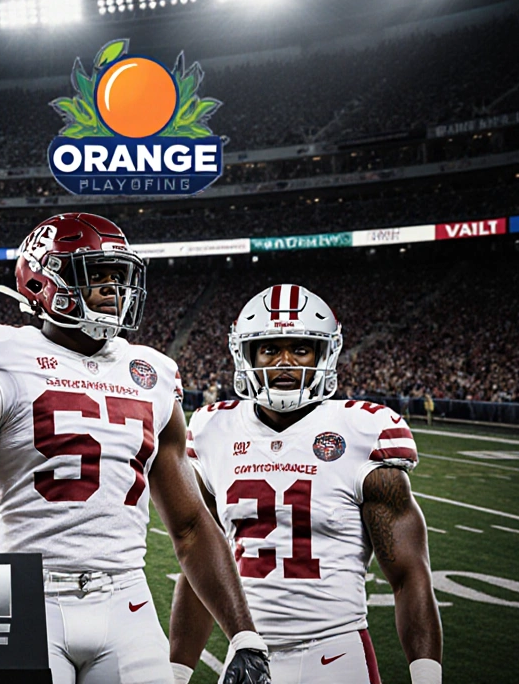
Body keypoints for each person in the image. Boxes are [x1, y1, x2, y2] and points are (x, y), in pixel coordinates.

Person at [0, 213, 271, 684]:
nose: (114, 288)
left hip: (127, 602)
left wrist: (244, 635)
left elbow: (192, 524)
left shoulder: (153, 373)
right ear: (43, 281)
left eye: (119, 275)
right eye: (96, 273)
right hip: (30, 597)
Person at [170, 284, 442, 684]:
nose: (284, 362)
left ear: (323, 355)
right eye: (269, 349)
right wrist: (176, 673)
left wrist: (427, 677)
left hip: (337, 654)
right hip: (247, 653)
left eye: (300, 349)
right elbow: (199, 566)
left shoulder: (364, 430)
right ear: (246, 355)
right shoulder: (214, 429)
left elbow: (409, 575)